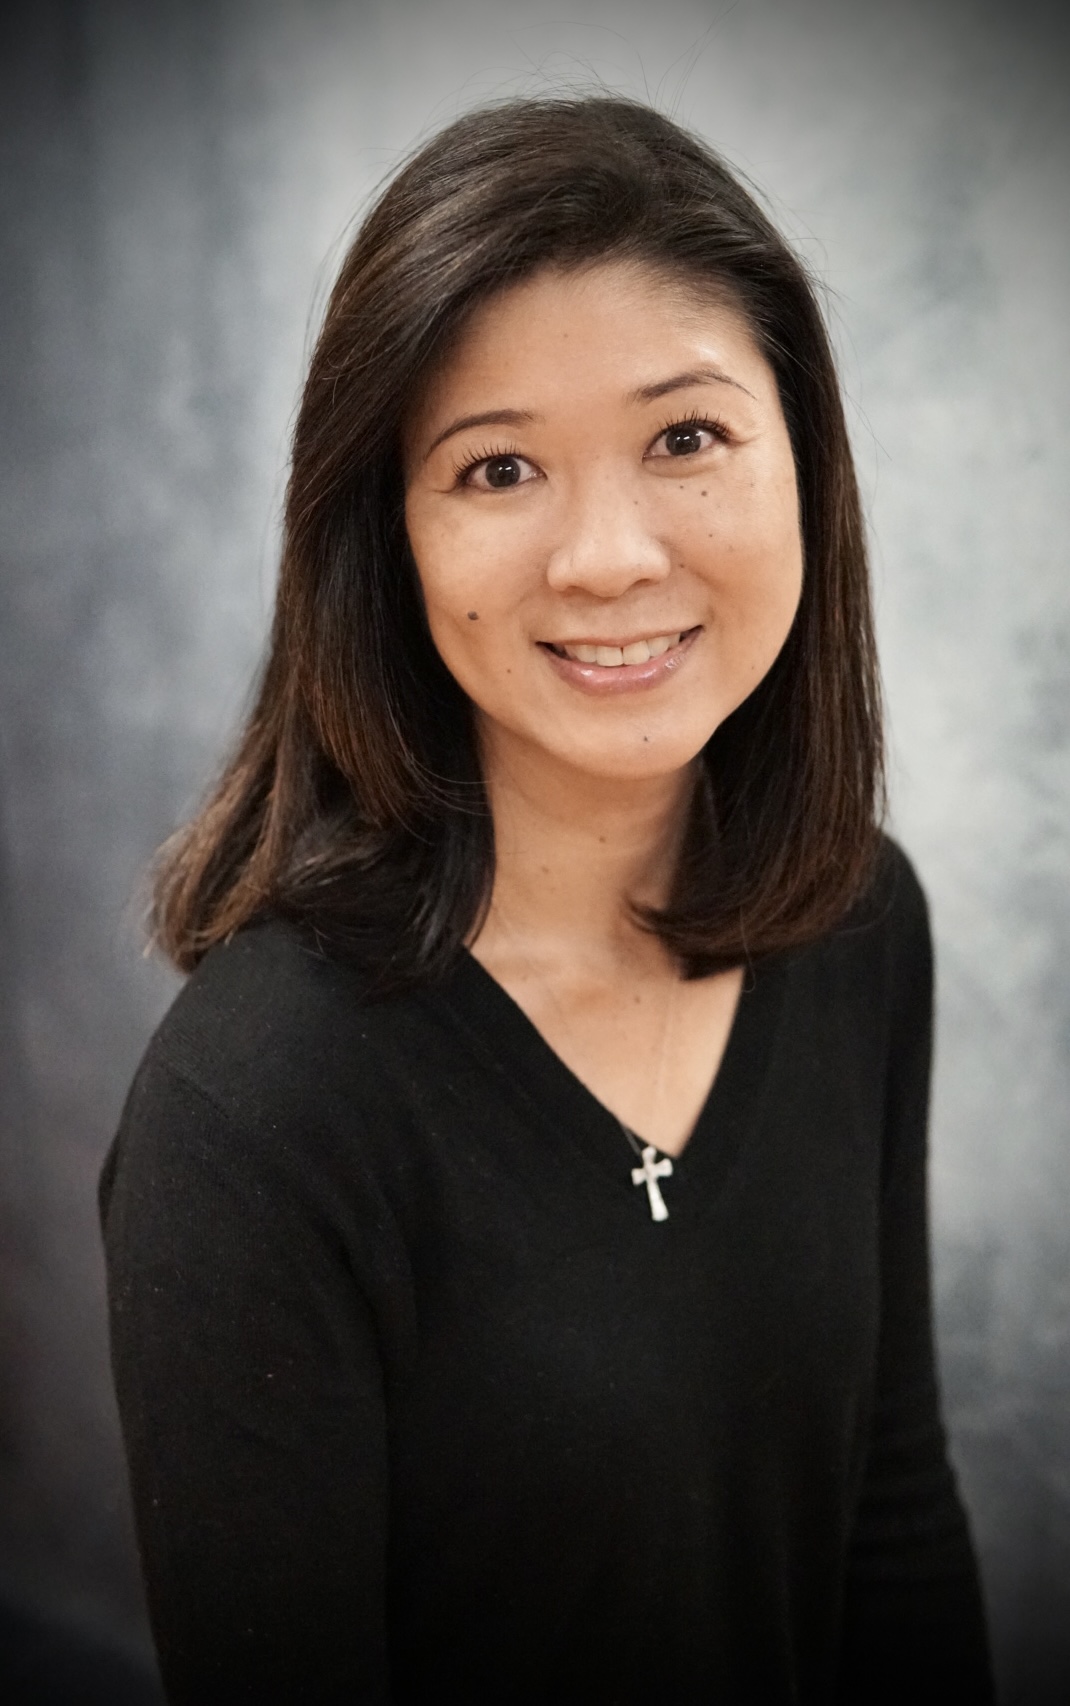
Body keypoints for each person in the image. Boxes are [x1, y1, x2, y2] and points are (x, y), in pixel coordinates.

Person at [99, 95, 995, 1703]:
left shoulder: (859, 917)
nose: (603, 555)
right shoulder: (257, 1111)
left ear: (804, 463)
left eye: (685, 436)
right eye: (496, 466)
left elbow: (888, 1516)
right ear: (388, 537)